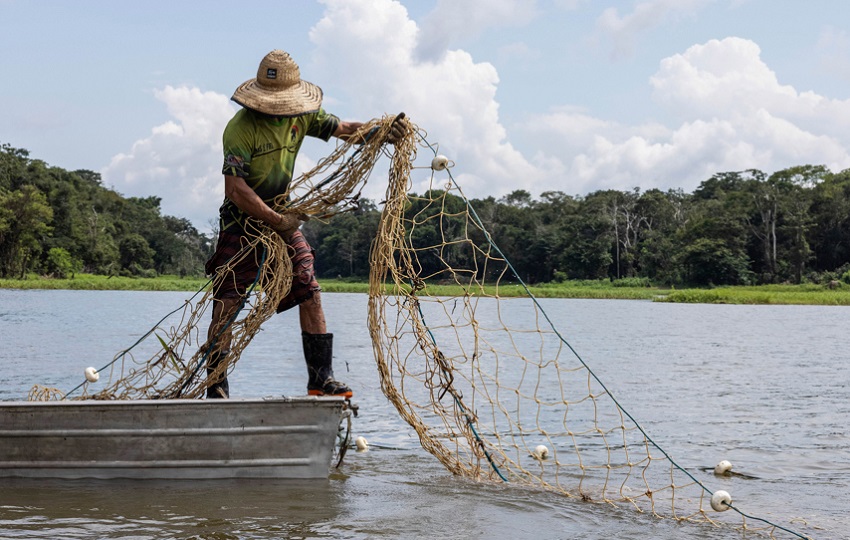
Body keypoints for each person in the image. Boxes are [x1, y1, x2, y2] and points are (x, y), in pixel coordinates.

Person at [203, 49, 403, 399]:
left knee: (310, 292)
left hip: (283, 220)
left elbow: (345, 129)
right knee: (228, 301)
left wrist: (383, 131)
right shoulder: (240, 129)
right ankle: (216, 385)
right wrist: (278, 220)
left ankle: (320, 379)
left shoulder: (302, 117)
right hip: (242, 225)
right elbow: (236, 189)